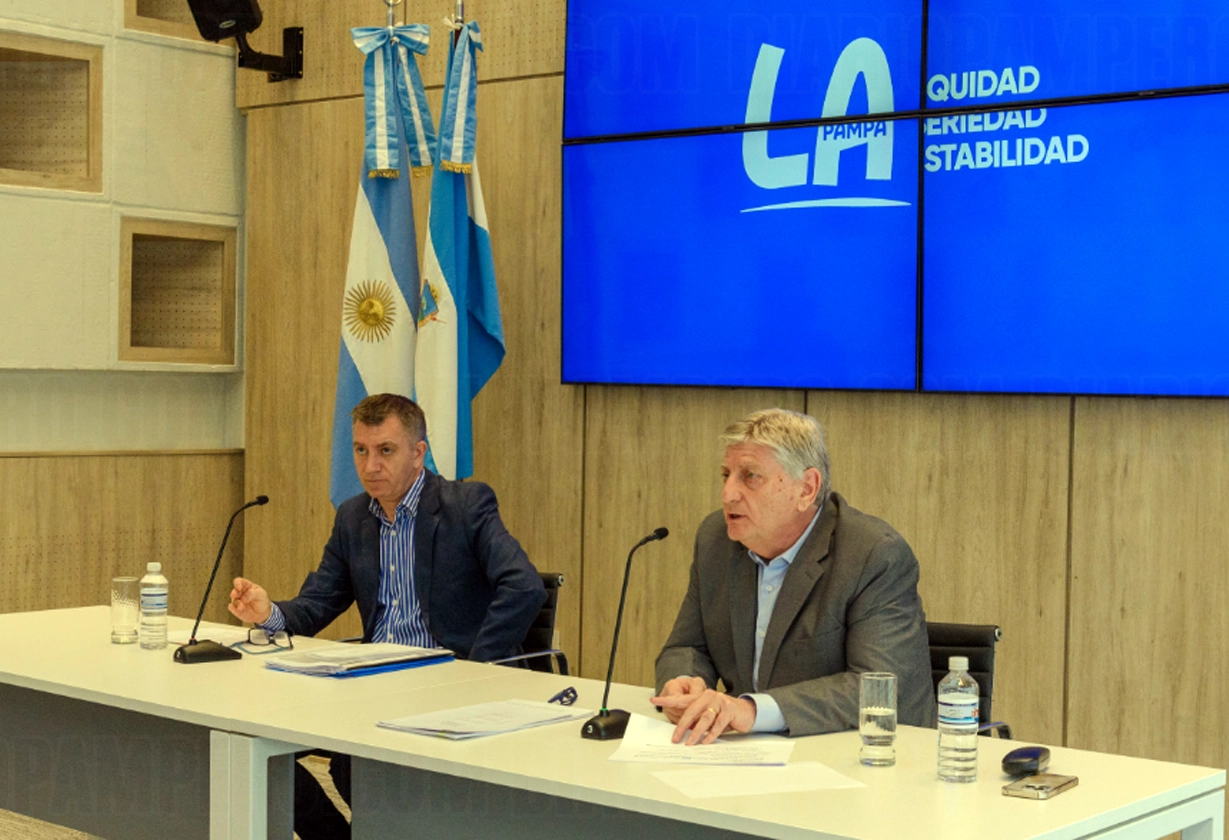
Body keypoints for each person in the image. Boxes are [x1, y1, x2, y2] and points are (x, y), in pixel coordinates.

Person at [229, 393, 546, 840]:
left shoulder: (465, 505)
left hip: (446, 688)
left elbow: (524, 586)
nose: (370, 465)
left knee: (358, 774)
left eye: (385, 450)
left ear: (418, 453)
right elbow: (319, 601)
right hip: (375, 687)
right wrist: (270, 613)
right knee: (263, 749)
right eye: (361, 450)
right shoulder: (353, 517)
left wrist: (474, 668)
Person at [652, 408, 935, 745]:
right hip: (752, 756)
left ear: (806, 489)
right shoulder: (717, 539)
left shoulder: (873, 554)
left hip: (870, 755)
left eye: (750, 476)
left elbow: (877, 686)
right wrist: (684, 680)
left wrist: (752, 711)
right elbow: (687, 646)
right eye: (726, 475)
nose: (728, 494)